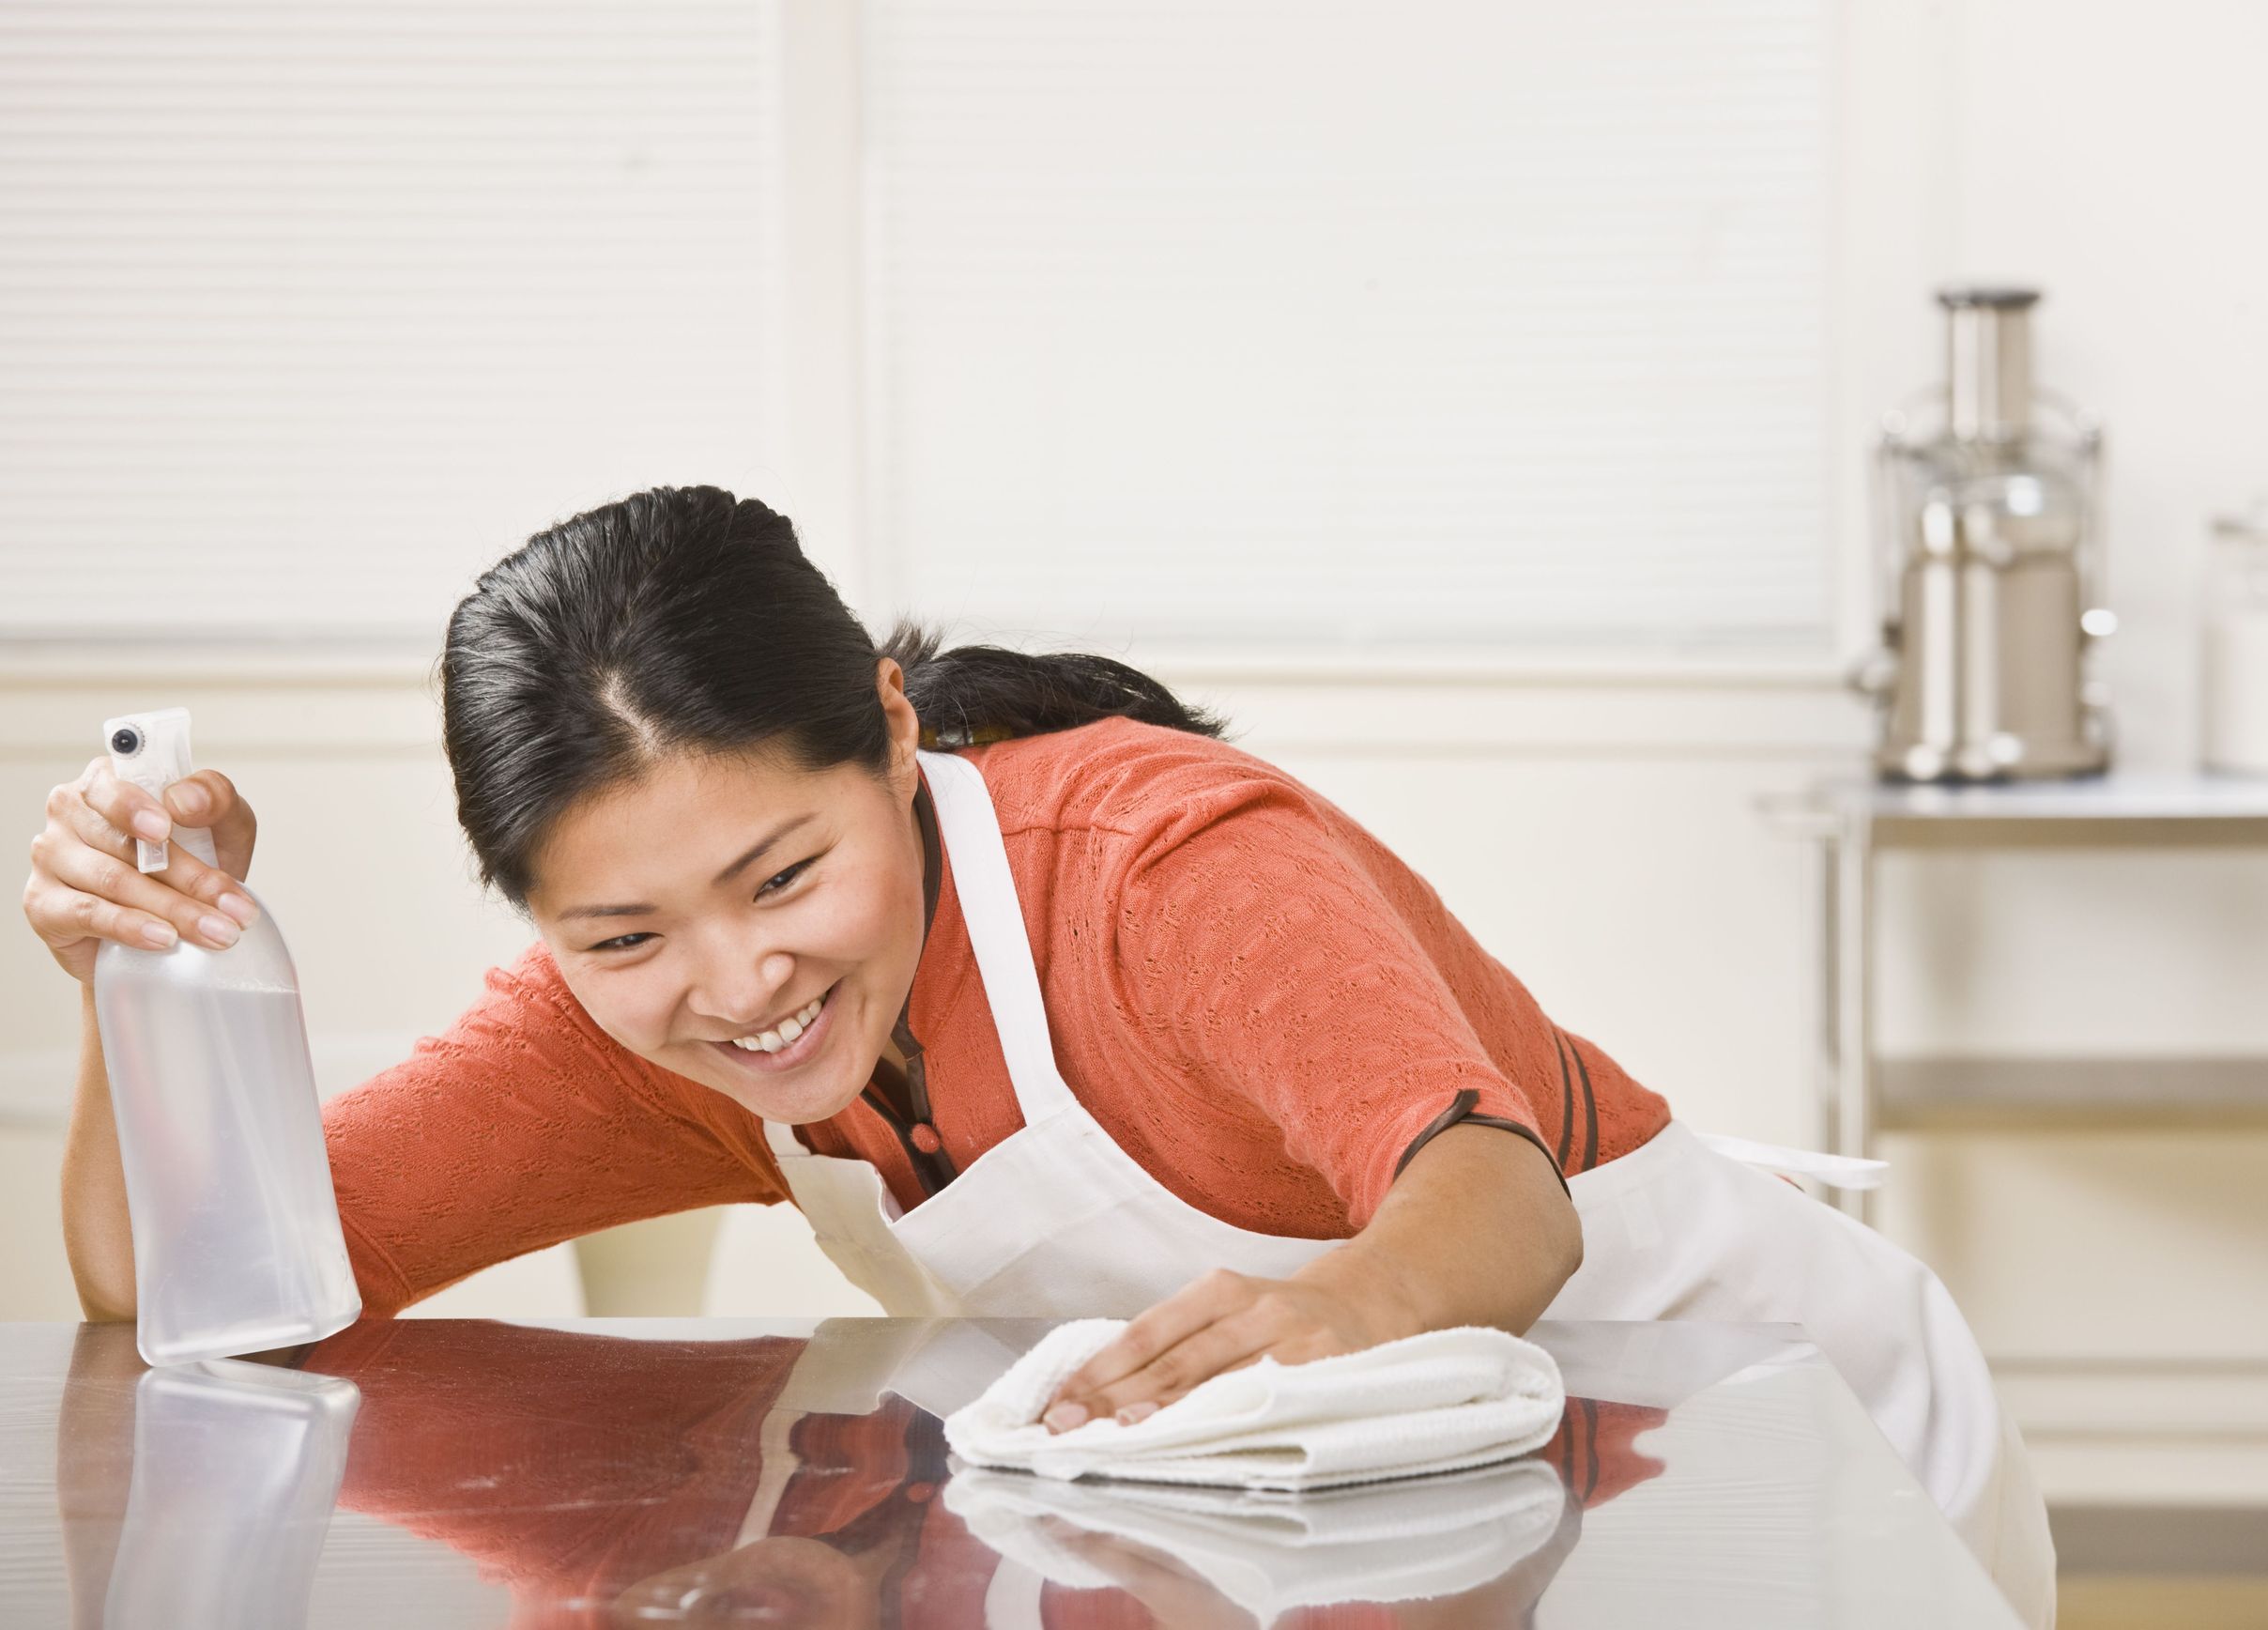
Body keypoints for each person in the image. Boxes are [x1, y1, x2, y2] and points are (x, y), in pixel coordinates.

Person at [23, 484, 2053, 1624]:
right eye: (622, 936)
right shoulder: (627, 1032)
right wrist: (138, 971)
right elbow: (198, 1283)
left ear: (892, 736)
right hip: (1399, 1525)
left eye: (783, 874)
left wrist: (1327, 1314)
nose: (735, 984)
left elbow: (1494, 1203)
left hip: (1756, 1448)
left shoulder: (1159, 865)